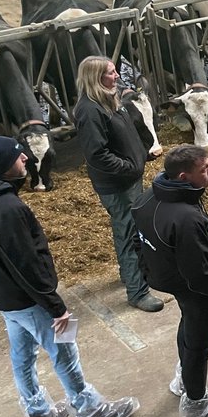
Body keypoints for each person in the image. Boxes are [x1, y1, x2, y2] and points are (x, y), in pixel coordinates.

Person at [0, 136, 139, 417]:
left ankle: (38, 415)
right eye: (17, 155)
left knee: (22, 357)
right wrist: (56, 307)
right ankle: (90, 411)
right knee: (65, 349)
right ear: (0, 166)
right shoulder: (7, 209)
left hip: (6, 301)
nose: (25, 157)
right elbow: (26, 264)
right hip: (31, 300)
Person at [132, 144, 208, 417]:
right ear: (183, 176)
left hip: (172, 281)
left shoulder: (148, 198)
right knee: (198, 344)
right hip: (198, 291)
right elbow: (201, 275)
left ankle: (184, 379)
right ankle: (198, 410)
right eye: (204, 170)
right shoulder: (186, 218)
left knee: (188, 326)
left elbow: (136, 243)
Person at [73, 55, 163, 313]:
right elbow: (97, 154)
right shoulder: (89, 110)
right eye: (111, 73)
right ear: (95, 78)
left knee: (128, 228)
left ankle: (129, 274)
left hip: (128, 178)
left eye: (115, 72)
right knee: (130, 233)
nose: (117, 77)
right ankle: (137, 291)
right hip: (118, 185)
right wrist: (128, 167)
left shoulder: (107, 100)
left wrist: (139, 154)